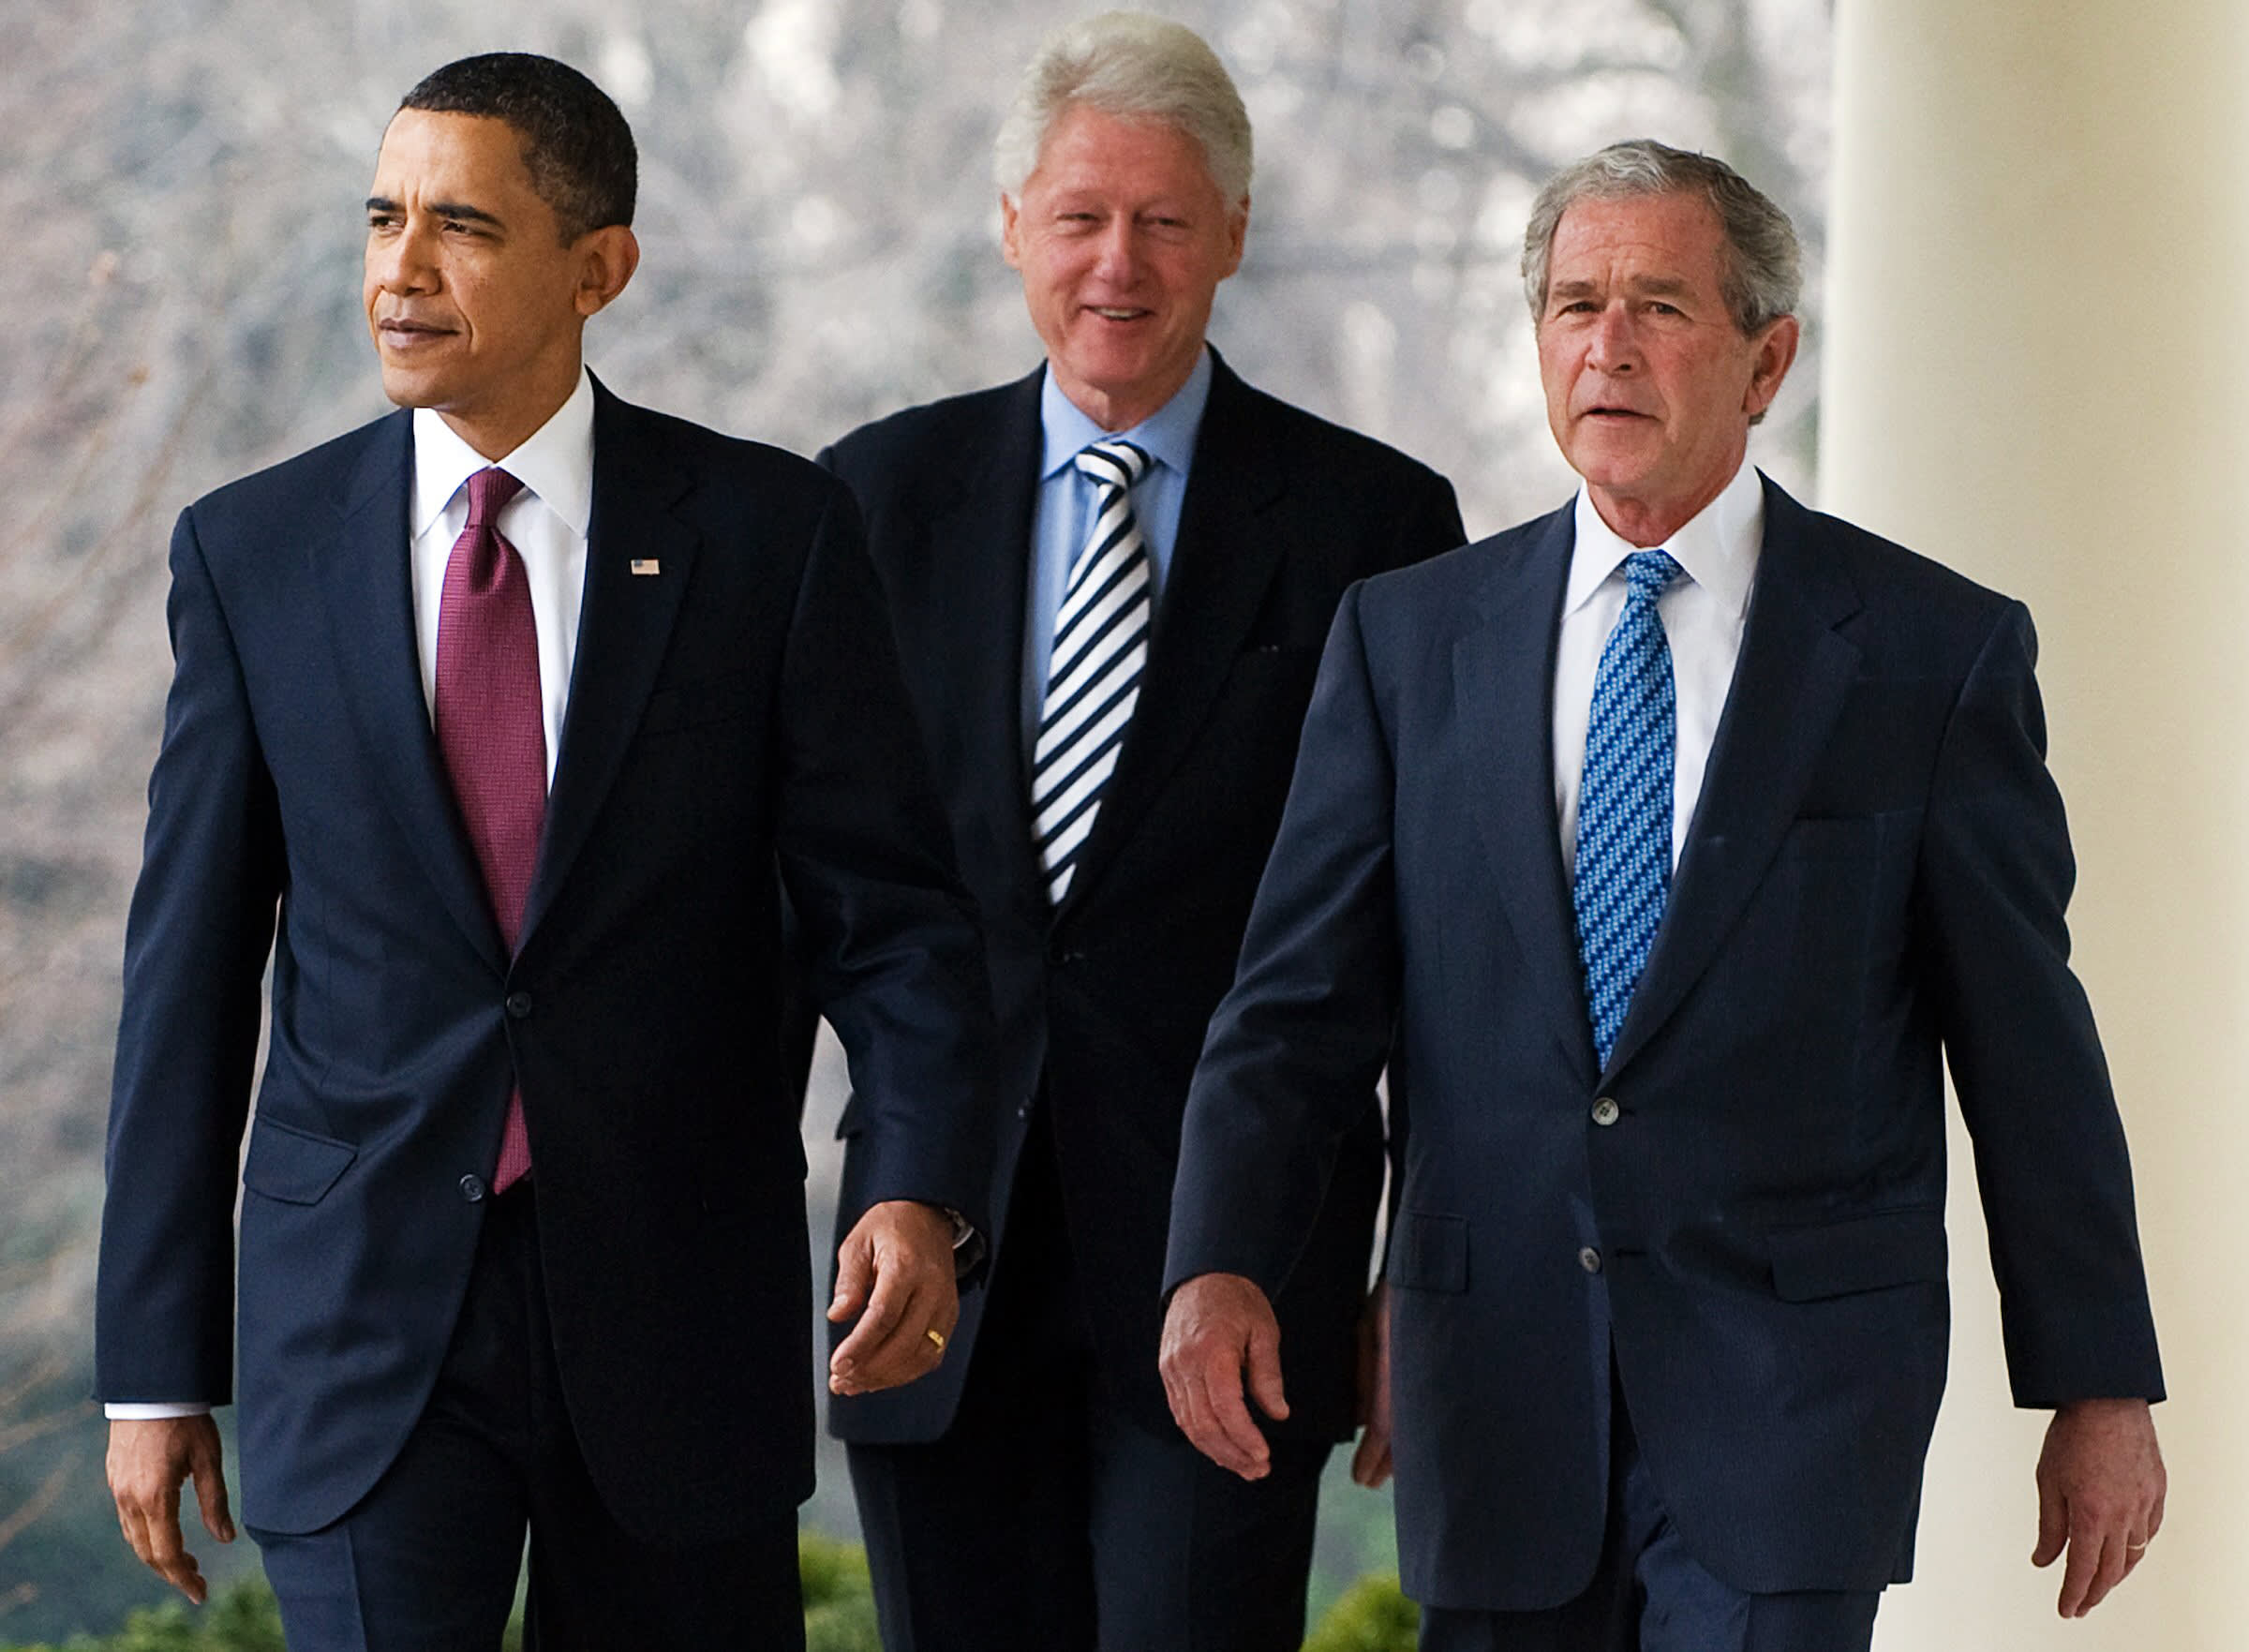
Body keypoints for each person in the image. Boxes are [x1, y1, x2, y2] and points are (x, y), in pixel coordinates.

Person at [1160, 139, 2165, 1652]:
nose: (1606, 346)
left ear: (1768, 362)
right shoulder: (1409, 641)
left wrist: (2098, 1384)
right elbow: (1296, 1004)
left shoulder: (1925, 654)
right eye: (1573, 305)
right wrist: (1220, 1254)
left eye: (1657, 306)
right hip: (1492, 1384)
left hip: (1793, 1406)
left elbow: (2029, 1051)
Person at [95, 52, 995, 1652]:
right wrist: (156, 1367)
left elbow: (900, 925)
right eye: (383, 220)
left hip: (675, 1325)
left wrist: (915, 1186)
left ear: (599, 269)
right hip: (363, 1330)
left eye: (462, 226)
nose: (401, 270)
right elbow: (188, 979)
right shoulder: (254, 554)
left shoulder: (768, 539)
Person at [805, 13, 1464, 1650]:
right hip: (931, 1261)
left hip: (1234, 1272)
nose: (1121, 262)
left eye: (1167, 221)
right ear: (1012, 222)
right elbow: (812, 900)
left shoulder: (1373, 530)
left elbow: (1432, 952)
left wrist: (1420, 1276)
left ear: (1233, 236)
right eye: (1083, 215)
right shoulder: (870, 506)